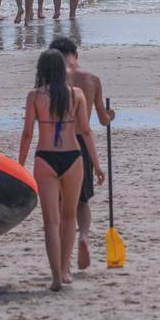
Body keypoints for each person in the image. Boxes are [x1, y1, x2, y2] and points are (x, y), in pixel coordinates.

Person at [18, 49, 103, 291]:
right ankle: (65, 271)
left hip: (45, 158)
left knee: (51, 223)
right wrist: (96, 164)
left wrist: (19, 165)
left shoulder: (34, 96)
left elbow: (27, 134)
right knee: (68, 217)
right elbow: (85, 131)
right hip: (72, 158)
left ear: (41, 70)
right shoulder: (76, 94)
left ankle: (56, 277)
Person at [48, 37, 114, 271]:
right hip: (82, 147)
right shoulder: (92, 79)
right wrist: (111, 115)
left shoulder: (53, 79)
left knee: (60, 205)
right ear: (75, 55)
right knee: (82, 202)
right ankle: (84, 235)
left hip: (57, 143)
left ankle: (62, 257)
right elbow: (102, 120)